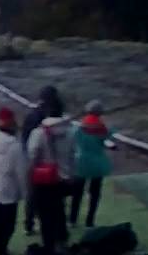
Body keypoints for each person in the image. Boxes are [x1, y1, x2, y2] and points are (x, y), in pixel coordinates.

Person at [27, 100, 75, 254]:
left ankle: (49, 246)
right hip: (64, 179)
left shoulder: (39, 133)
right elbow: (73, 154)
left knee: (46, 216)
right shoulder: (70, 130)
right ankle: (62, 241)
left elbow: (32, 156)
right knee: (59, 210)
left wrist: (30, 177)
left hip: (45, 181)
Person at [0, 107, 28, 255]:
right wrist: (25, 192)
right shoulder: (15, 146)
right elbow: (20, 172)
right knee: (8, 224)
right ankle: (1, 249)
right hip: (9, 190)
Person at [22, 85, 63, 236]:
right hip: (44, 161)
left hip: (37, 160)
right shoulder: (43, 116)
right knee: (41, 194)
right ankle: (37, 223)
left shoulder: (33, 115)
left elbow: (25, 140)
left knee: (34, 194)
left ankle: (30, 223)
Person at [71, 100, 113, 229]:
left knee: (77, 193)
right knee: (94, 193)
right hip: (96, 163)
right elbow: (107, 141)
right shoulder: (101, 126)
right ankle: (89, 221)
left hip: (81, 162)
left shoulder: (80, 125)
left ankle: (72, 219)